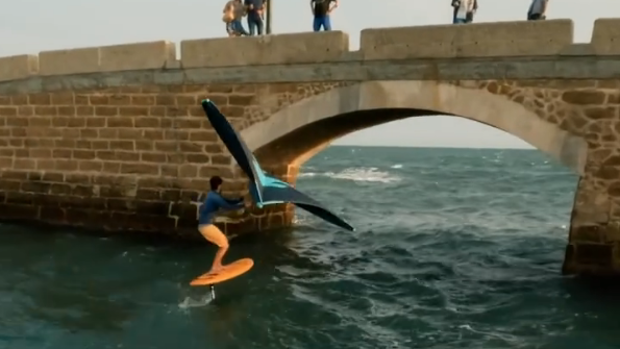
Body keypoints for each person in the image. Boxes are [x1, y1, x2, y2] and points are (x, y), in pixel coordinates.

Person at [198, 176, 246, 273]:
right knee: (225, 245)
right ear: (219, 185)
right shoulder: (215, 197)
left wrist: (239, 200)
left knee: (223, 244)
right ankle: (215, 267)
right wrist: (242, 205)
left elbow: (227, 201)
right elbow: (227, 206)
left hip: (203, 226)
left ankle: (217, 265)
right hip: (206, 226)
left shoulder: (212, 194)